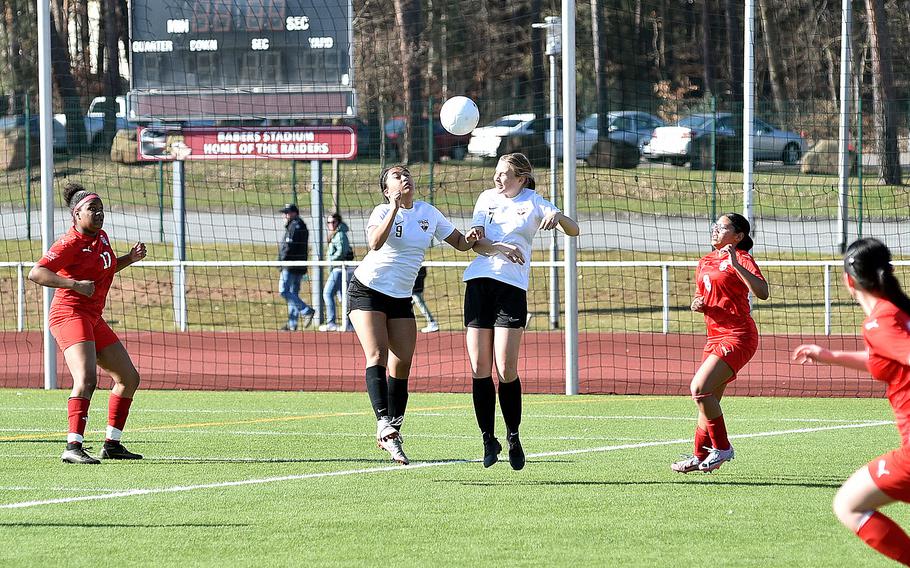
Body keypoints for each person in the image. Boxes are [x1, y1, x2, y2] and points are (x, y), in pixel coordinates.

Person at [349, 164, 491, 465]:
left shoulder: (428, 212)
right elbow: (374, 243)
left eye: (406, 175)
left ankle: (393, 435)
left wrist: (473, 235)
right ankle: (382, 422)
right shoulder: (381, 211)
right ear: (387, 189)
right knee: (377, 356)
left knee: (402, 366)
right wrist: (393, 208)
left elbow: (461, 245)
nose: (405, 179)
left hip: (401, 297)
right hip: (368, 290)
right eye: (397, 177)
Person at [792, 238, 910, 566]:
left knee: (849, 504)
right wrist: (830, 356)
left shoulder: (881, 321)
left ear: (848, 280)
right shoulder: (897, 314)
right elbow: (884, 358)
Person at [463, 152, 579, 470]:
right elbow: (477, 244)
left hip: (511, 289)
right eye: (497, 173)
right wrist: (497, 246)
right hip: (477, 284)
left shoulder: (534, 201)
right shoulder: (486, 198)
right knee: (478, 366)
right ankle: (489, 438)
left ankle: (513, 435)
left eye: (504, 174)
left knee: (505, 368)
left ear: (521, 178)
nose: (498, 179)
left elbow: (574, 230)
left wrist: (558, 218)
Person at [28, 182, 147, 464]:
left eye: (101, 209)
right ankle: (72, 447)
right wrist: (73, 285)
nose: (99, 213)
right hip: (69, 313)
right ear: (76, 215)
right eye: (92, 209)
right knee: (86, 379)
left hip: (92, 316)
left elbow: (105, 269)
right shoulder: (69, 243)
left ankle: (112, 444)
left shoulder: (102, 237)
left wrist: (129, 259)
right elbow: (36, 273)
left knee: (129, 378)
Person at [671, 213, 769, 474]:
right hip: (714, 337)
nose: (714, 230)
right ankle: (698, 454)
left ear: (738, 237)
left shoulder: (743, 258)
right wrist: (696, 303)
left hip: (738, 335)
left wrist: (735, 262)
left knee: (699, 388)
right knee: (708, 399)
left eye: (721, 227)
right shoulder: (705, 261)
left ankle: (723, 448)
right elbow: (700, 295)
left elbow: (763, 292)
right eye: (714, 226)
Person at [278, 203, 315, 331]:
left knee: (284, 290)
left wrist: (282, 261)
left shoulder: (295, 226)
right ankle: (292, 324)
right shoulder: (299, 225)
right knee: (293, 293)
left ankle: (306, 310)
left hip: (291, 266)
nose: (285, 215)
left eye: (287, 213)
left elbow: (289, 247)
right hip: (298, 265)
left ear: (294, 213)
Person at [319, 212, 354, 332]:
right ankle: (349, 324)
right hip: (336, 269)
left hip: (339, 269)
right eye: (328, 222)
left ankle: (332, 322)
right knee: (342, 297)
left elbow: (342, 251)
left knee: (327, 293)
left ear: (338, 222)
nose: (331, 224)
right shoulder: (335, 234)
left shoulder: (340, 235)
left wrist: (330, 259)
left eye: (333, 222)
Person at [412, 266, 439, 333]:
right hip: (417, 271)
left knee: (417, 299)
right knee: (411, 301)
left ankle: (432, 322)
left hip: (416, 272)